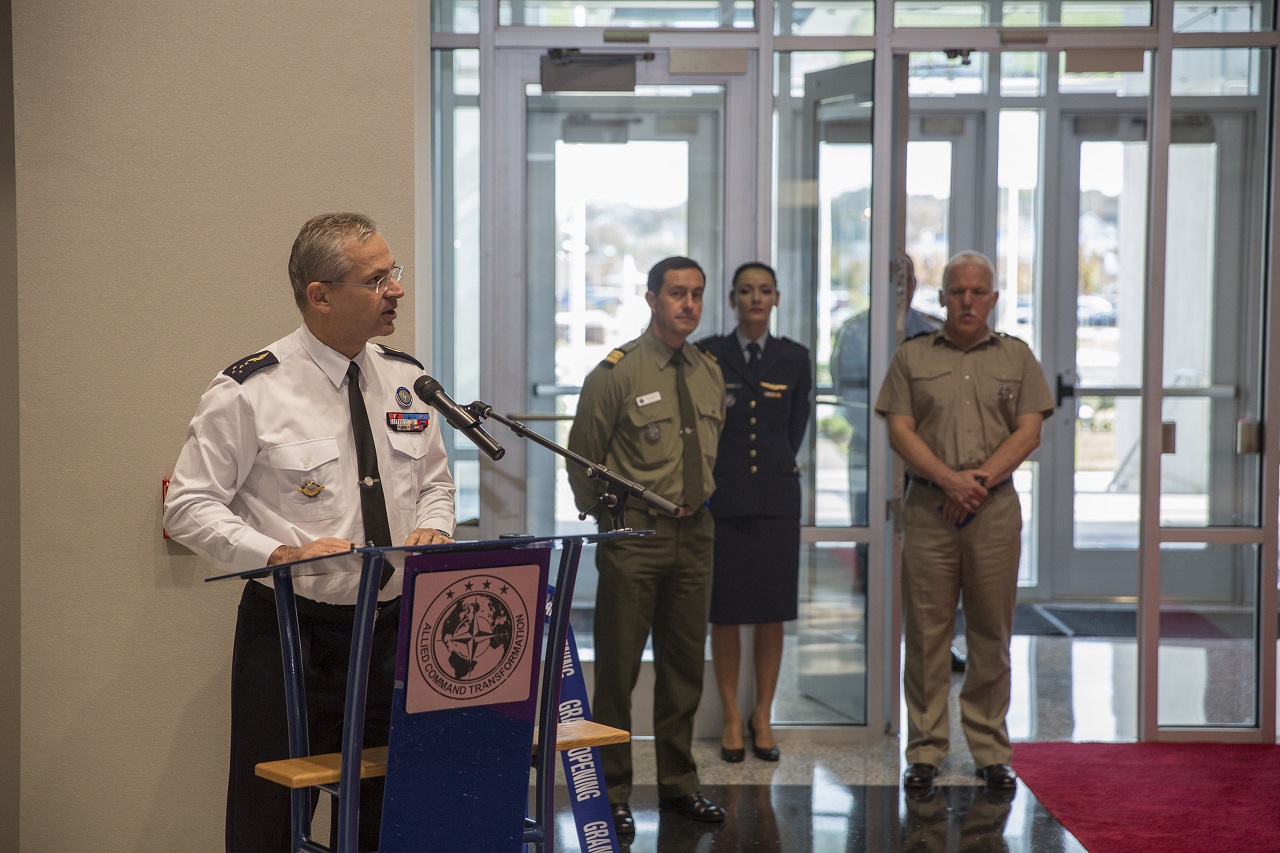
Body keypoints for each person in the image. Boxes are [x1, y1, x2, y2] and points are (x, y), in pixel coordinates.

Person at [163, 212, 457, 853]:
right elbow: (187, 506)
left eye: (394, 273)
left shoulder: (407, 380)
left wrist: (434, 526)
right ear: (319, 295)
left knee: (390, 804)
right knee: (270, 812)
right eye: (377, 279)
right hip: (296, 630)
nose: (396, 291)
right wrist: (278, 552)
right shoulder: (250, 390)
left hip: (396, 628)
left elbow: (434, 481)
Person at [873, 250, 1053, 792]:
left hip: (993, 513)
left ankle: (990, 749)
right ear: (944, 297)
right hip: (929, 511)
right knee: (925, 637)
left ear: (994, 299)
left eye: (978, 292)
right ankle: (925, 749)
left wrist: (974, 484)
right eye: (957, 292)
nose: (967, 301)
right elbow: (900, 430)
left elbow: (1028, 432)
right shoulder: (912, 356)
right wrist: (950, 482)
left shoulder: (1017, 357)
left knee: (991, 637)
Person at [567, 256, 727, 841]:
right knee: (618, 671)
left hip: (696, 535)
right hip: (636, 537)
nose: (687, 304)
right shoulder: (617, 372)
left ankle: (680, 786)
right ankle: (613, 792)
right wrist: (612, 518)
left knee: (684, 670)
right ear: (652, 298)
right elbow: (583, 460)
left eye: (696, 294)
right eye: (676, 293)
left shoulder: (710, 370)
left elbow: (713, 452)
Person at [697, 262, 811, 764]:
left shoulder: (795, 358)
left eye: (764, 290)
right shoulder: (710, 354)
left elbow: (796, 426)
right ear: (733, 299)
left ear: (777, 298)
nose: (756, 299)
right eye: (746, 291)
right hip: (725, 497)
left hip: (776, 499)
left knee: (771, 613)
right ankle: (729, 715)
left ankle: (762, 714)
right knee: (725, 612)